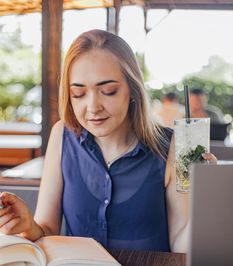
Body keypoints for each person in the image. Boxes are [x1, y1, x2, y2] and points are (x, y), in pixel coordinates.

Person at [0, 30, 216, 253]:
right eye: (78, 93)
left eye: (108, 91)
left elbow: (182, 247)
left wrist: (205, 201)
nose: (93, 107)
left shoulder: (174, 145)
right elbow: (46, 230)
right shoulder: (62, 135)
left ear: (132, 90)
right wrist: (27, 226)